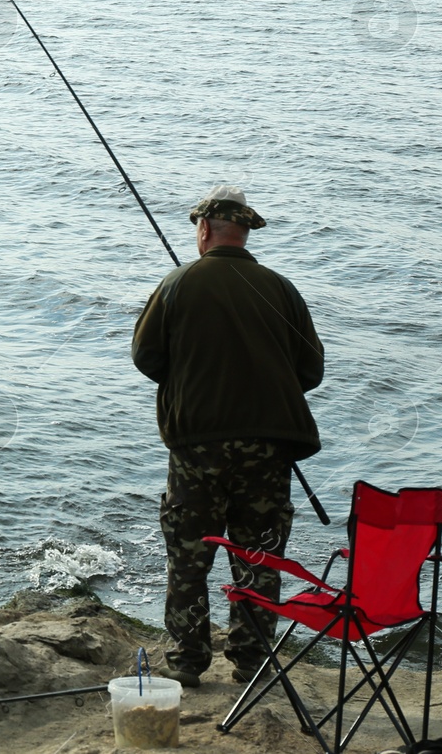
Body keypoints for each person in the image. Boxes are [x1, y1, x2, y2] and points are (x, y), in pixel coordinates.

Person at [131, 184, 324, 687]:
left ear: (203, 230)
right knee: (258, 555)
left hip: (198, 446)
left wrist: (194, 381)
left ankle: (187, 664)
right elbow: (311, 370)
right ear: (243, 231)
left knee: (189, 556)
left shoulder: (178, 283)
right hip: (268, 447)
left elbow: (146, 358)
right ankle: (252, 662)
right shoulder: (281, 288)